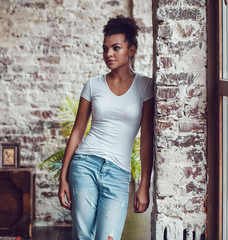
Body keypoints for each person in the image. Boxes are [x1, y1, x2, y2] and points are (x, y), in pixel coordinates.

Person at [58, 15, 154, 240]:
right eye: (105, 49)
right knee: (83, 236)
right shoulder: (93, 85)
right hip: (84, 166)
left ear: (131, 50)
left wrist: (144, 185)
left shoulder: (145, 86)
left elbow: (147, 139)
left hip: (118, 172)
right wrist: (63, 178)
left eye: (116, 48)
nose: (108, 54)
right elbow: (77, 133)